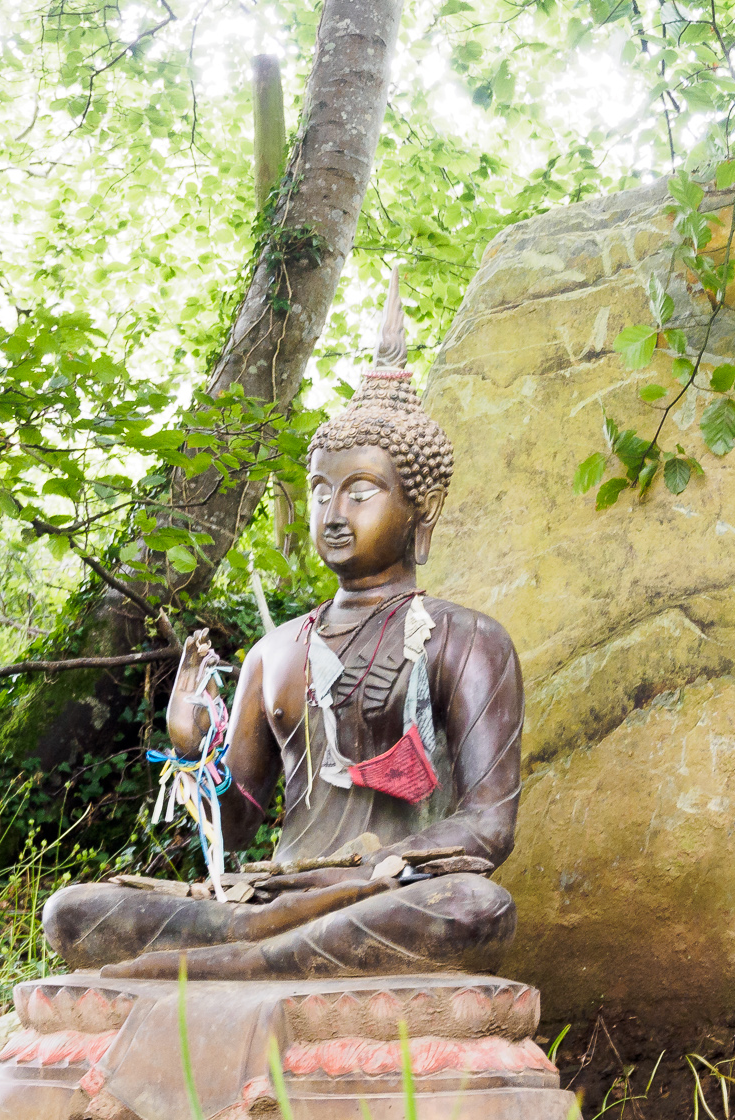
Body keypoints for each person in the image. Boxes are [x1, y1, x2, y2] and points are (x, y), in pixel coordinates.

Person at [42, 282, 524, 980]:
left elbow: (488, 825)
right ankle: (265, 947)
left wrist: (361, 874)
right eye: (321, 491)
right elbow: (237, 826)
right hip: (276, 892)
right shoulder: (275, 652)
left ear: (423, 509)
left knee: (475, 908)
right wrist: (192, 748)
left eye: (361, 492)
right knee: (71, 912)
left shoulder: (468, 640)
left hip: (385, 892)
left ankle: (240, 957)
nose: (334, 513)